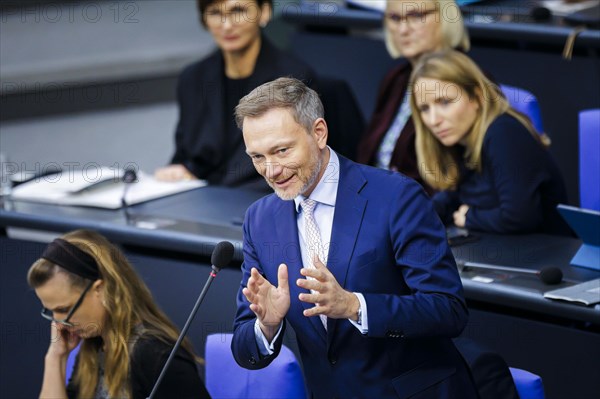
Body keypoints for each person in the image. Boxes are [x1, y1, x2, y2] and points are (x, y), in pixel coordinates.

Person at [230, 77, 479, 398]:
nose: (272, 170)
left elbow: (448, 311)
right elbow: (244, 351)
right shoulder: (260, 220)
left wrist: (353, 306)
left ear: (318, 132)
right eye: (258, 157)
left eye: (282, 150)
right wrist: (267, 326)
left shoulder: (396, 197)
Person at [27, 229, 209, 399]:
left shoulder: (155, 355)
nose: (59, 322)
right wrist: (55, 357)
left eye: (64, 309)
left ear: (101, 289)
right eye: (51, 311)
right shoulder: (95, 346)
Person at [154, 0, 315, 190]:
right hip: (201, 196)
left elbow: (302, 161)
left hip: (266, 198)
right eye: (215, 13)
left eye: (238, 11)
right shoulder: (193, 78)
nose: (227, 25)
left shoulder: (294, 78)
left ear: (264, 12)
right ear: (204, 20)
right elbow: (185, 154)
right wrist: (179, 171)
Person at [410, 50, 570, 235]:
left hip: (548, 256)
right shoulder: (461, 141)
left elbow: (520, 217)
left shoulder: (503, 132)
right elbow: (456, 197)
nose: (433, 119)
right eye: (424, 108)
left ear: (477, 97)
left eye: (445, 102)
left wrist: (469, 217)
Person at [357, 0, 469, 194]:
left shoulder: (464, 78)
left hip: (424, 212)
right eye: (394, 18)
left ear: (445, 16)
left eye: (416, 16)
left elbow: (459, 175)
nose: (403, 29)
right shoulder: (396, 78)